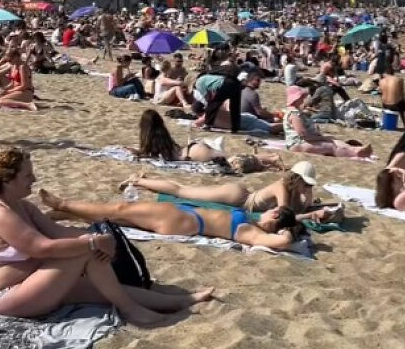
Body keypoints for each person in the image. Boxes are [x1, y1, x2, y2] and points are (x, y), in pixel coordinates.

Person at [0, 149, 211, 324]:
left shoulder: (23, 206)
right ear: (7, 180)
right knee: (86, 251)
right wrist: (93, 242)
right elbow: (42, 248)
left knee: (108, 289)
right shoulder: (0, 214)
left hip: (34, 284)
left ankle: (180, 301)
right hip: (6, 298)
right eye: (27, 176)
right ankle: (131, 311)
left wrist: (99, 236)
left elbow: (59, 232)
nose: (34, 180)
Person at [39, 186, 303, 252]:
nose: (268, 211)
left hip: (185, 220)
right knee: (121, 218)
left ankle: (62, 203)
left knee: (120, 208)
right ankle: (68, 212)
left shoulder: (252, 232)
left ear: (275, 216)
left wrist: (289, 232)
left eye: (273, 211)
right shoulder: (252, 225)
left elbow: (282, 242)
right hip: (185, 218)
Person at [118, 160, 343, 224]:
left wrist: (310, 196)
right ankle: (138, 180)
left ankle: (144, 181)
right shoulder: (282, 186)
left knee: (184, 189)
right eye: (306, 183)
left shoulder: (299, 188)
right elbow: (285, 215)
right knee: (182, 191)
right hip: (237, 198)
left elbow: (304, 205)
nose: (308, 187)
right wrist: (311, 214)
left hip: (242, 196)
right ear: (297, 179)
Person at [283, 86, 372, 158]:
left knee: (333, 140)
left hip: (303, 142)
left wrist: (321, 136)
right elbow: (303, 134)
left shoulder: (295, 111)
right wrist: (322, 138)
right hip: (298, 145)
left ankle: (355, 149)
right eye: (301, 97)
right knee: (331, 146)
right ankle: (354, 153)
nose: (303, 99)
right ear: (296, 98)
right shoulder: (294, 113)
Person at [380, 66, 405, 131]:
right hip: (395, 105)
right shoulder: (399, 79)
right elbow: (402, 96)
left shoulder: (381, 81)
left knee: (400, 103)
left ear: (384, 73)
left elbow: (382, 94)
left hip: (385, 105)